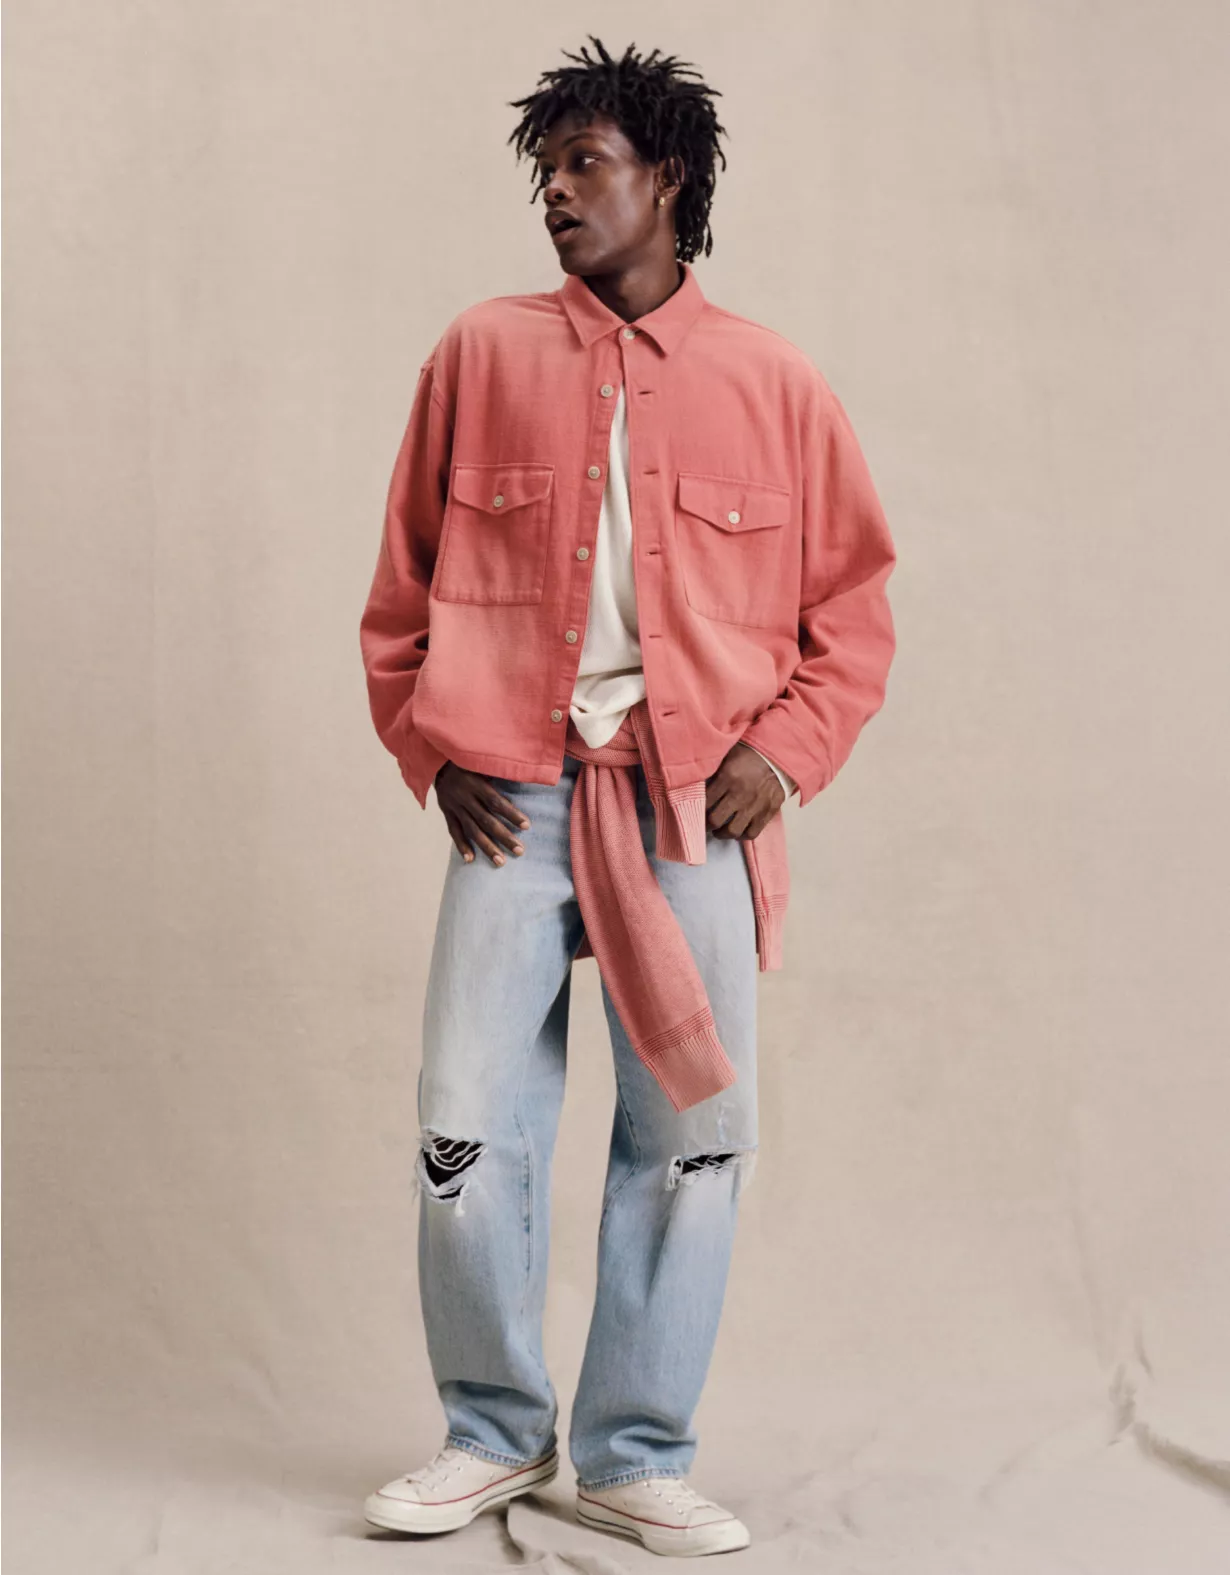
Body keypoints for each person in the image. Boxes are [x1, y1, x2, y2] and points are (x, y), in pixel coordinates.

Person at [358, 35, 897, 1559]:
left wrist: (782, 751)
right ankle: (490, 1435)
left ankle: (633, 1454)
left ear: (665, 179)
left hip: (687, 814)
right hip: (516, 803)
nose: (554, 191)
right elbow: (400, 584)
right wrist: (432, 745)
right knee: (465, 1131)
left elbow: (853, 613)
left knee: (693, 1141)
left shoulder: (774, 383)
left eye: (583, 163)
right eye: (545, 168)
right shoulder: (478, 354)